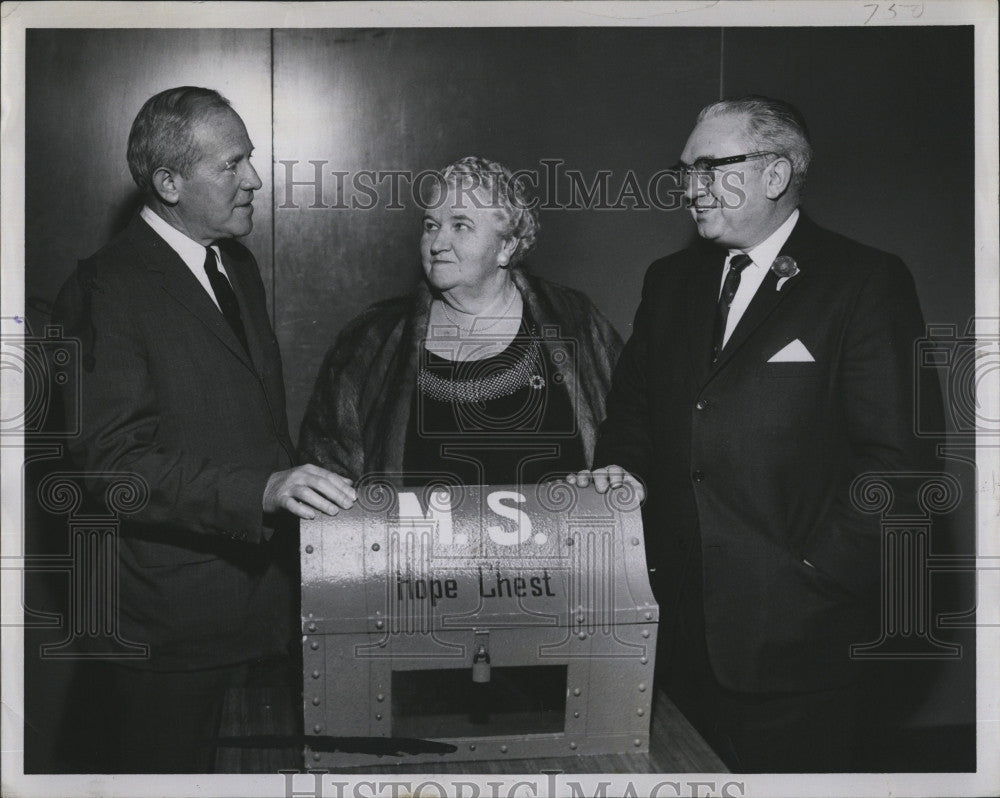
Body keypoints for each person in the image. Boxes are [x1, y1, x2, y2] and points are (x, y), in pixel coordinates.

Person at [568, 96, 941, 772]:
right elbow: (632, 414)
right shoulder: (670, 281)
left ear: (776, 174)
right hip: (673, 641)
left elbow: (901, 466)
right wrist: (621, 470)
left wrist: (815, 579)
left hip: (800, 649)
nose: (690, 188)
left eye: (711, 167)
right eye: (685, 170)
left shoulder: (864, 281)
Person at [52, 86, 355, 773]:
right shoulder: (105, 289)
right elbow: (109, 467)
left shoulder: (235, 265)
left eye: (250, 159)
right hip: (170, 634)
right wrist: (261, 492)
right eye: (232, 165)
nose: (253, 179)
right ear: (168, 183)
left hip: (260, 617)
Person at [299, 155, 622, 489]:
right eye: (431, 226)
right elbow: (326, 472)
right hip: (411, 542)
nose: (437, 244)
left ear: (506, 246)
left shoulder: (573, 320)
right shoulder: (372, 339)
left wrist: (612, 473)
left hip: (563, 539)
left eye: (460, 225)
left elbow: (630, 434)